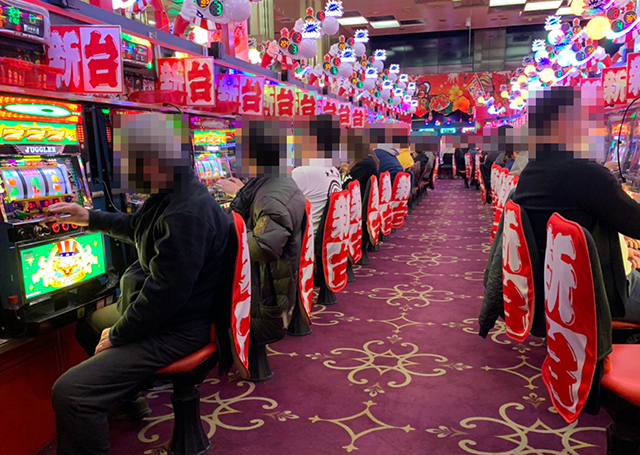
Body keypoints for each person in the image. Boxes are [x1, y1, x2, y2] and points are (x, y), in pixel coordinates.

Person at [49, 113, 231, 455]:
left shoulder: (186, 212)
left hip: (178, 328)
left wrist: (119, 335)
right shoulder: (171, 193)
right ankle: (128, 399)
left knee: (72, 392)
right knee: (90, 325)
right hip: (167, 313)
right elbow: (138, 226)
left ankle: (98, 398)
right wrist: (90, 217)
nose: (126, 174)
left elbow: (165, 295)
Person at [217, 117, 305, 375]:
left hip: (264, 289)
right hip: (273, 280)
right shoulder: (276, 182)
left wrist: (226, 231)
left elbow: (262, 248)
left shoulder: (272, 195)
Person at [290, 115, 343, 234]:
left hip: (306, 238)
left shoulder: (303, 173)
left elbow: (276, 205)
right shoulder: (334, 170)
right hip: (325, 235)